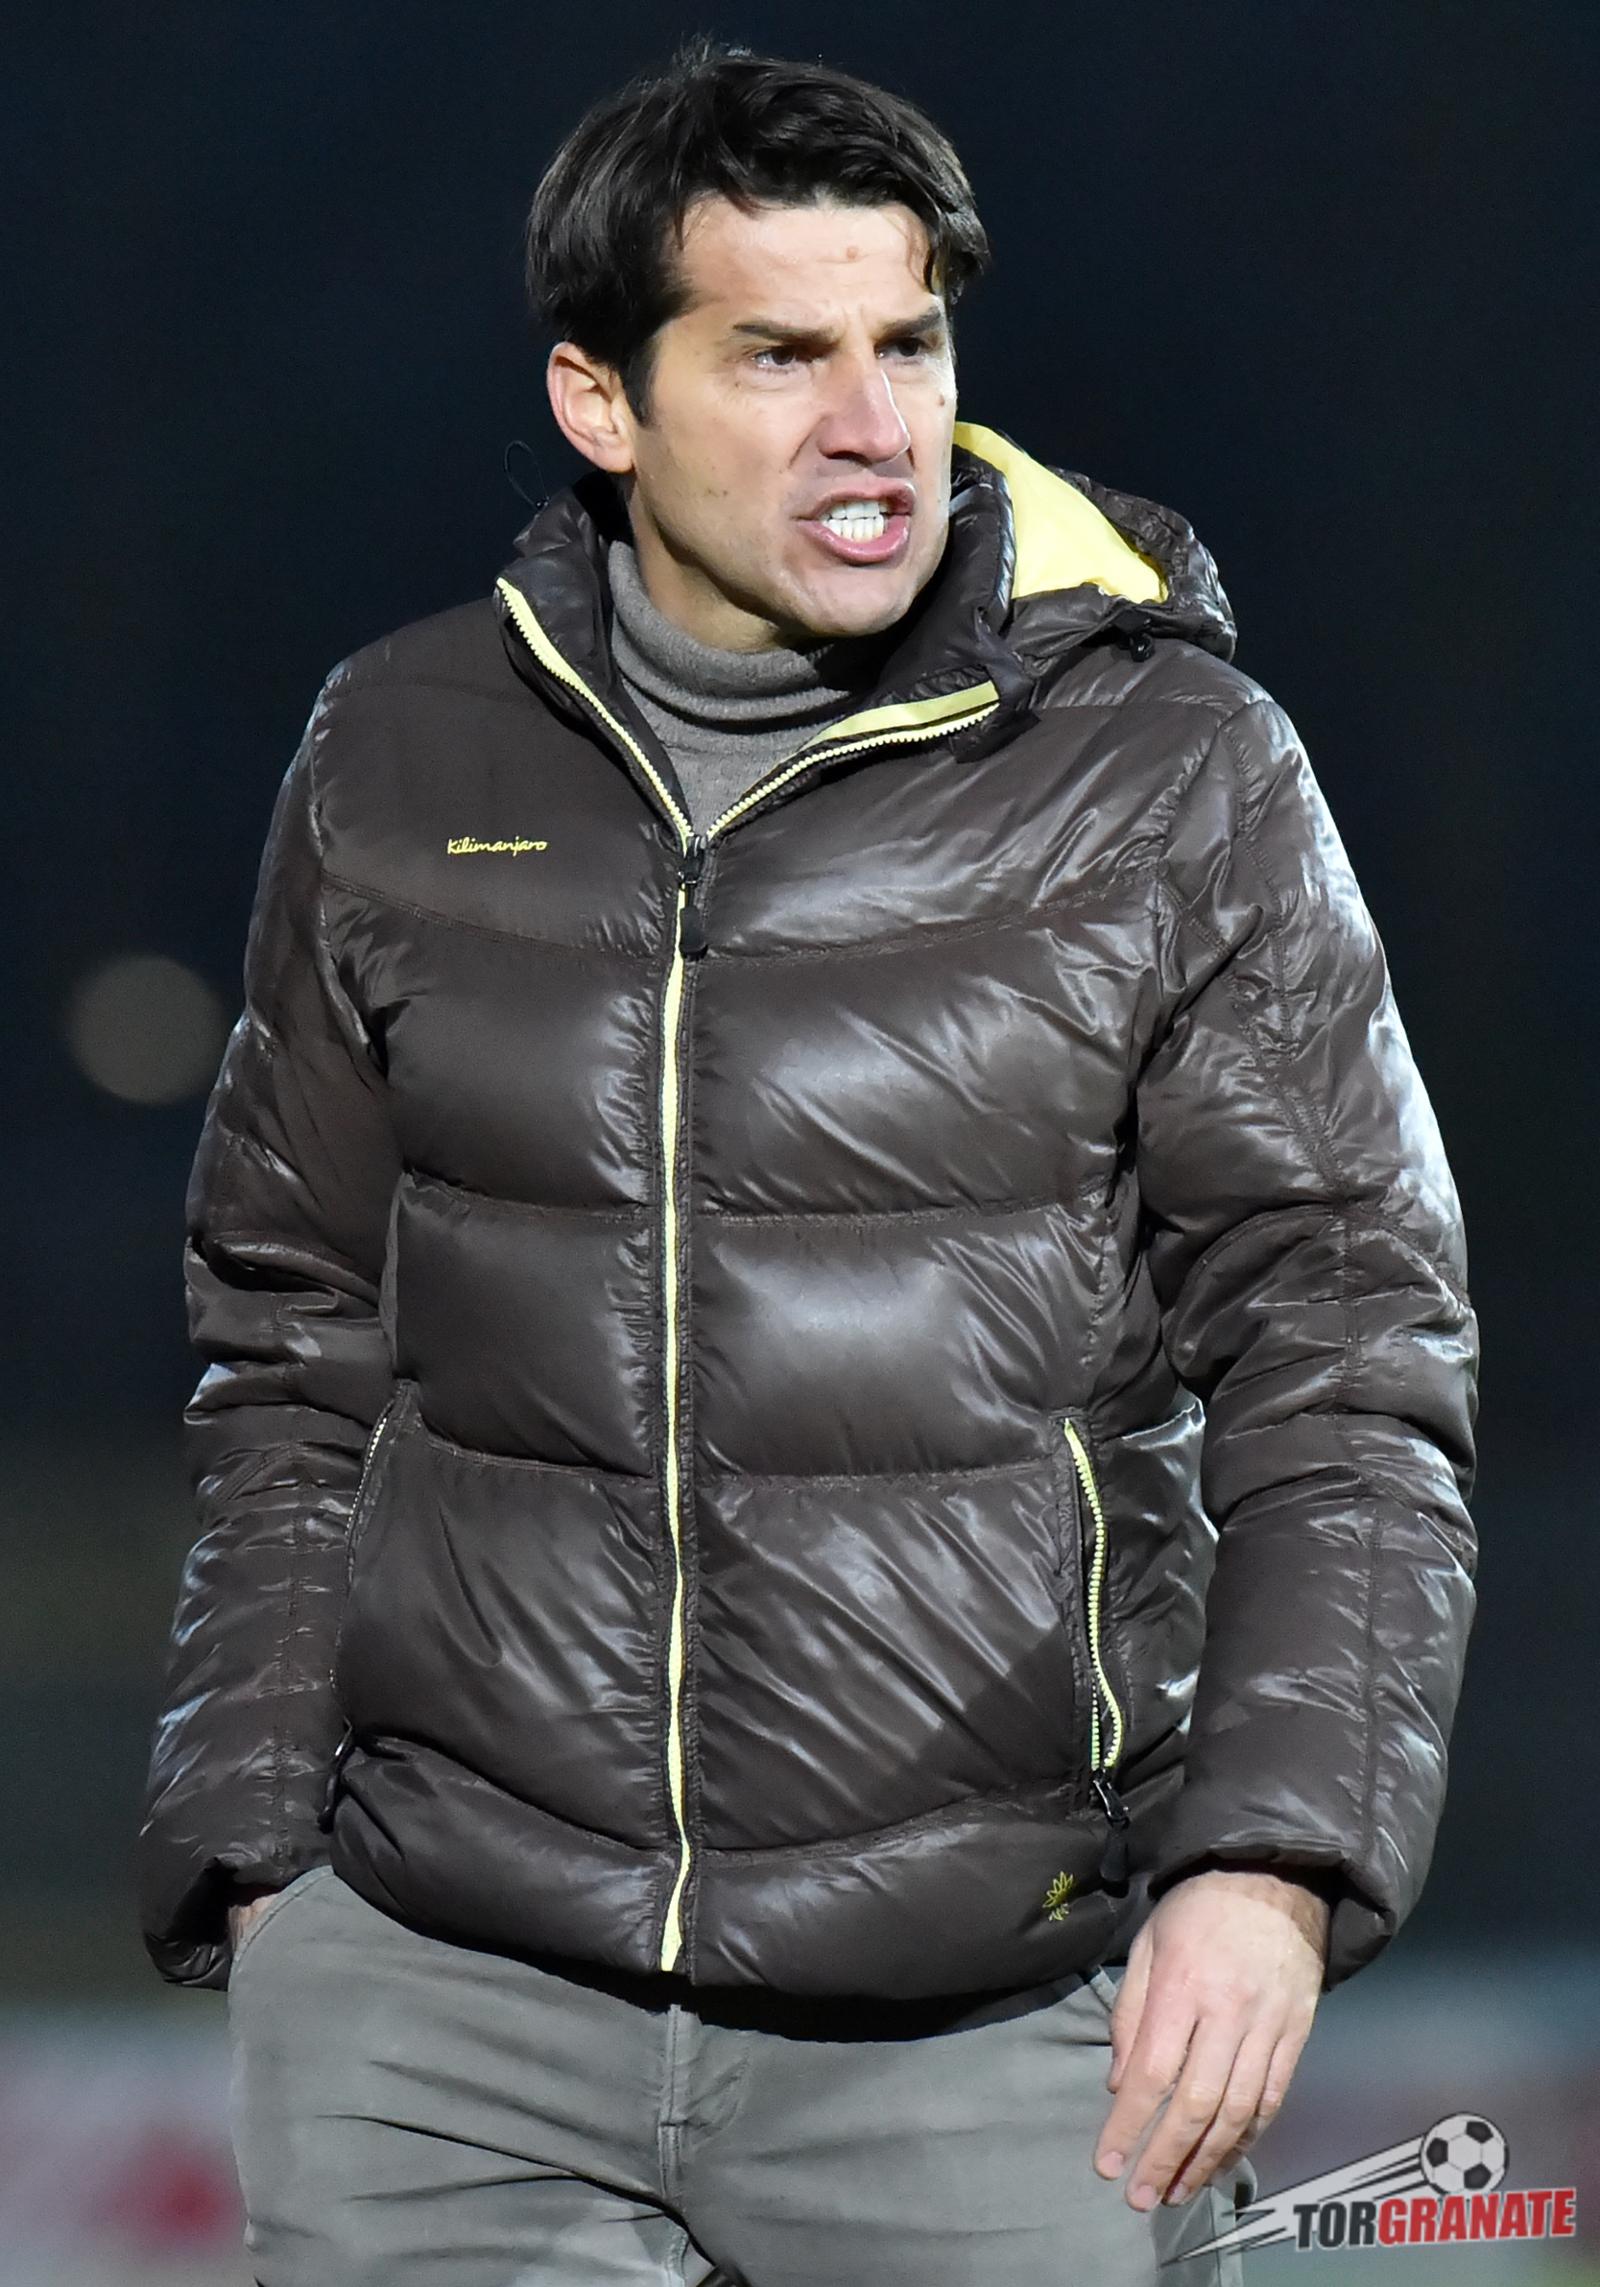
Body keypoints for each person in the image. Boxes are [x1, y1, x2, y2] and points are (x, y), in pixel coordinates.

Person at [136, 36, 1480, 2287]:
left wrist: (1272, 1863)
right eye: (778, 356)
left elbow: (1348, 1357)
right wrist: (262, 1861)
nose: (875, 426)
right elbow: (289, 1337)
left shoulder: (1173, 770)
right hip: (443, 2021)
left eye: (909, 344)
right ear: (599, 400)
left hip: (998, 2026)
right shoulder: (396, 751)